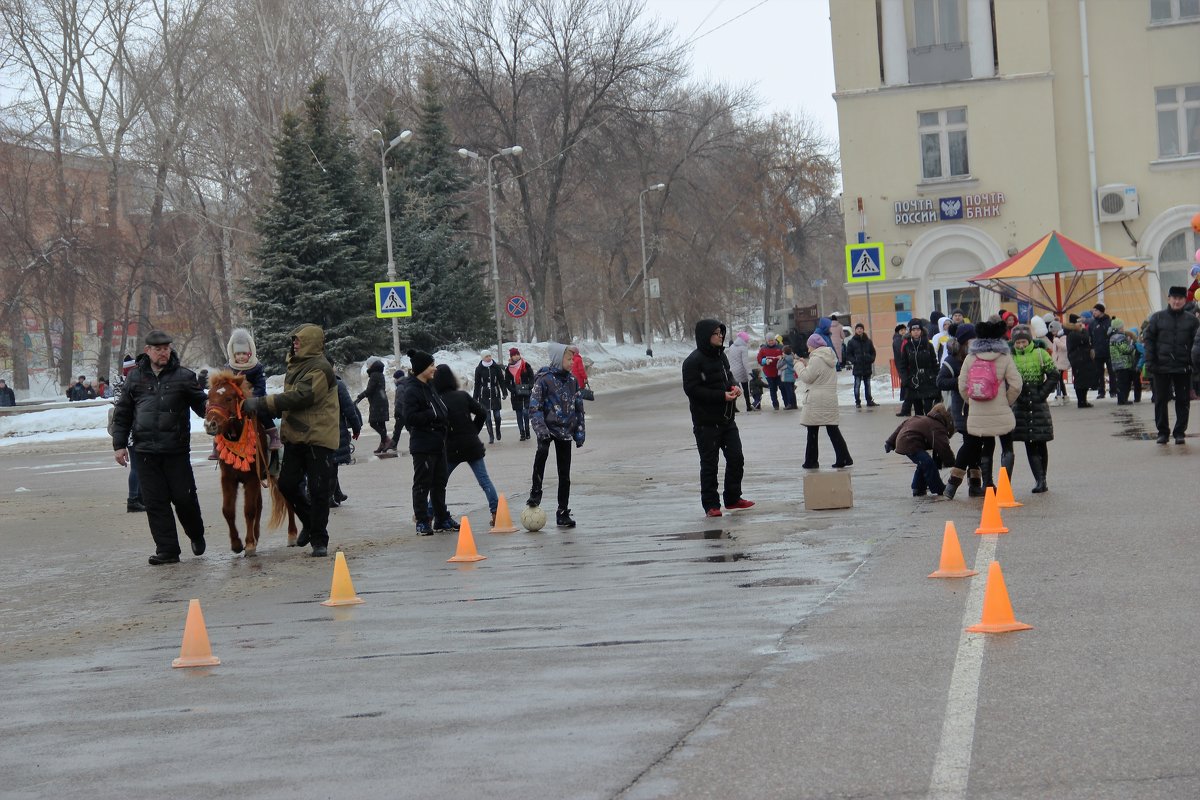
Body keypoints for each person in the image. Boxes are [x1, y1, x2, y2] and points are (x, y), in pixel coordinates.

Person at [111, 330, 208, 565]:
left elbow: (203, 406)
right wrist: (119, 444)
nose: (163, 352)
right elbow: (123, 412)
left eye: (166, 348)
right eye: (158, 349)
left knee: (184, 499)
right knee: (155, 503)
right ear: (148, 351)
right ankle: (167, 550)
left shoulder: (184, 377)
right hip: (144, 452)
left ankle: (196, 534)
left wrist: (216, 413)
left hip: (176, 450)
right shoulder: (135, 378)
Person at [241, 324, 339, 557]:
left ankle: (319, 540)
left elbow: (303, 397)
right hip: (296, 436)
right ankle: (310, 523)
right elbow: (291, 402)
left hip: (318, 437)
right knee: (286, 484)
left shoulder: (320, 368)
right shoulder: (295, 366)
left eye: (299, 341)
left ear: (312, 343)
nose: (295, 344)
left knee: (318, 490)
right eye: (294, 341)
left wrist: (263, 403)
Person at [681, 319, 753, 517]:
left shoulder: (721, 357)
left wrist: (733, 386)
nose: (720, 336)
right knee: (710, 464)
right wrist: (720, 396)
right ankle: (711, 504)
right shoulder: (692, 362)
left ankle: (732, 498)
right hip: (706, 423)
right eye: (716, 333)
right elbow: (692, 389)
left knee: (736, 458)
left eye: (721, 333)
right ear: (706, 336)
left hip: (727, 419)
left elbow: (727, 376)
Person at [956, 318, 1022, 492]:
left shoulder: (971, 357)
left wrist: (972, 402)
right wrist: (1006, 402)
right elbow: (1016, 384)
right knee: (1007, 446)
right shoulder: (1004, 357)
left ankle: (987, 485)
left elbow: (962, 385)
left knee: (987, 445)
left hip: (979, 411)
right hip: (1001, 409)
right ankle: (1005, 487)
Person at [526, 342, 586, 528]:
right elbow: (534, 407)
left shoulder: (572, 380)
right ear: (557, 359)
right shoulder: (543, 380)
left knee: (564, 473)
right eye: (568, 359)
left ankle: (563, 511)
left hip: (565, 431)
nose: (571, 363)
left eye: (572, 359)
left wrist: (579, 431)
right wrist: (541, 430)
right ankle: (535, 492)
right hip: (547, 429)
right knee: (541, 456)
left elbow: (578, 408)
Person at [434, 365, 500, 525]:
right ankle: (497, 512)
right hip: (471, 444)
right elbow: (482, 412)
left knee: (439, 483)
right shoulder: (462, 396)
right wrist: (473, 430)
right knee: (484, 480)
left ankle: (429, 512)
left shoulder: (438, 400)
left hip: (451, 447)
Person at [400, 349, 457, 535]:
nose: (434, 369)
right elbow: (409, 418)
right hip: (423, 445)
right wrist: (432, 415)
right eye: (431, 365)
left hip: (438, 443)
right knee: (422, 484)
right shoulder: (411, 390)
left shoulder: (430, 386)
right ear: (422, 368)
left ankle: (441, 519)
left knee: (439, 483)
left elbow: (440, 408)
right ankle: (422, 521)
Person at [219, 328, 282, 474]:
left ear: (250, 353)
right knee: (223, 417)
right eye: (238, 354)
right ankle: (218, 445)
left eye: (244, 354)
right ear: (233, 354)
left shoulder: (256, 367)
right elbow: (225, 385)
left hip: (254, 397)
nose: (241, 357)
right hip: (235, 400)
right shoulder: (228, 368)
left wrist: (253, 397)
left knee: (262, 411)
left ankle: (273, 436)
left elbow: (260, 385)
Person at [1144, 286, 1200, 444]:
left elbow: (1197, 344)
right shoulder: (1157, 318)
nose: (1177, 301)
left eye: (1180, 298)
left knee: (1183, 401)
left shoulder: (1192, 320)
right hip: (1161, 367)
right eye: (1174, 298)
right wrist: (1150, 361)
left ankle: (1180, 432)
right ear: (1169, 299)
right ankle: (1162, 432)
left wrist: (1194, 364)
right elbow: (1148, 340)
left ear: (1185, 300)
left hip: (1183, 367)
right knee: (1161, 400)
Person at [938, 323, 986, 498]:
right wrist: (962, 381)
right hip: (963, 410)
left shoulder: (980, 357)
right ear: (964, 342)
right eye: (970, 340)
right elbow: (941, 381)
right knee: (970, 444)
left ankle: (975, 484)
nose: (974, 344)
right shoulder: (952, 360)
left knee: (976, 446)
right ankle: (953, 483)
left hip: (980, 408)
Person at [1009, 325, 1056, 493]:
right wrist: (1016, 395)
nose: (1021, 345)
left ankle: (1043, 478)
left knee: (1040, 441)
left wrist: (1041, 393)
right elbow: (1006, 379)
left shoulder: (1039, 354)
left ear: (1029, 341)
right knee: (1029, 442)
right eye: (1018, 342)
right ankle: (1038, 479)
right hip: (1020, 404)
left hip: (1038, 402)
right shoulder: (1010, 357)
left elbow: (1053, 375)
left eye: (1023, 342)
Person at [798, 333, 852, 469]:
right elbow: (819, 373)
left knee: (812, 431)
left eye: (809, 345)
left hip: (817, 399)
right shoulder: (829, 356)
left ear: (813, 346)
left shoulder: (816, 359)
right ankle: (844, 457)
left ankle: (811, 461)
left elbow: (807, 377)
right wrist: (806, 365)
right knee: (832, 429)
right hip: (829, 397)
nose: (808, 348)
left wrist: (799, 366)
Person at [885, 403, 956, 497]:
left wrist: (890, 442)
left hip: (906, 441)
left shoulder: (922, 418)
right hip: (911, 443)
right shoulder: (937, 426)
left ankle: (918, 487)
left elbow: (902, 426)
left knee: (923, 463)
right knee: (928, 463)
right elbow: (943, 447)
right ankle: (938, 488)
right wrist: (951, 461)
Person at [329, 372, 361, 508]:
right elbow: (349, 407)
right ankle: (330, 495)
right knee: (332, 464)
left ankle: (336, 493)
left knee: (328, 462)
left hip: (319, 429)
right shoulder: (337, 384)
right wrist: (356, 426)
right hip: (335, 428)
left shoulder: (310, 381)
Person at [902, 319, 940, 416]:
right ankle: (920, 429)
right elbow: (903, 365)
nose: (916, 332)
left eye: (918, 330)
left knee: (928, 408)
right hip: (914, 380)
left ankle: (929, 428)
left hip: (928, 379)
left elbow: (934, 363)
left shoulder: (928, 345)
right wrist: (905, 379)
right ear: (910, 332)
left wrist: (936, 377)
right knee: (918, 411)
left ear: (921, 331)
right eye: (913, 330)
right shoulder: (907, 347)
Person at [356, 359, 391, 454]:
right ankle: (383, 443)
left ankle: (387, 440)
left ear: (372, 365)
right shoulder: (380, 374)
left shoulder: (374, 375)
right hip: (381, 402)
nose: (367, 366)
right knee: (381, 425)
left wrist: (359, 398)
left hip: (377, 403)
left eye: (368, 365)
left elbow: (369, 390)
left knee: (373, 423)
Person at [473, 350, 508, 444]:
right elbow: (477, 384)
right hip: (483, 394)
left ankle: (498, 430)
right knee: (487, 418)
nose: (488, 358)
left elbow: (501, 380)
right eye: (486, 356)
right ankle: (491, 436)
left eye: (489, 356)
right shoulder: (479, 369)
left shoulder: (495, 367)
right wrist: (475, 398)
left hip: (495, 393)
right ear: (483, 358)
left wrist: (504, 392)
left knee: (497, 416)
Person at [1066, 313, 1098, 407]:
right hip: (1078, 359)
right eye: (1079, 322)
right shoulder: (1073, 333)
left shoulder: (1076, 332)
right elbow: (1085, 339)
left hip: (1083, 359)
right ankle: (1081, 401)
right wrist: (1084, 330)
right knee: (1080, 381)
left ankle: (1083, 400)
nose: (1081, 324)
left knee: (1084, 381)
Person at [843, 323, 878, 408]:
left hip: (867, 366)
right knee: (857, 384)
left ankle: (869, 401)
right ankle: (857, 402)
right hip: (858, 367)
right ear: (855, 330)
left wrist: (870, 359)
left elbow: (873, 352)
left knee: (868, 384)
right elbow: (848, 354)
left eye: (861, 328)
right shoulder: (852, 342)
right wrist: (854, 361)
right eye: (858, 328)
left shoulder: (868, 341)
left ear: (863, 330)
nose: (859, 330)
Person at [504, 347, 536, 440]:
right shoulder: (509, 368)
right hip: (515, 394)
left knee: (526, 412)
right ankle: (522, 433)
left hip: (526, 391)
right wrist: (513, 390)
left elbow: (531, 377)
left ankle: (527, 430)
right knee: (519, 413)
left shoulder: (525, 365)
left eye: (517, 354)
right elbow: (507, 382)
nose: (516, 356)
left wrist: (530, 386)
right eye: (514, 355)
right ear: (511, 357)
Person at [1110, 319, 1139, 405]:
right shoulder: (1120, 337)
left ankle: (1122, 399)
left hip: (1117, 363)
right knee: (1124, 383)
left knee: (1121, 382)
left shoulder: (1112, 337)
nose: (1123, 328)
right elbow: (1125, 349)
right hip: (1123, 363)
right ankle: (1123, 400)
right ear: (1119, 328)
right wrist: (1132, 345)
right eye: (1122, 326)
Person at [1090, 302, 1114, 398]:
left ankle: (1113, 390)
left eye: (1096, 310)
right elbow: (1090, 336)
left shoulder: (1109, 322)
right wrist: (1092, 348)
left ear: (1101, 311)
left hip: (1108, 351)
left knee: (1111, 372)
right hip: (1097, 351)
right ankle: (1101, 391)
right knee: (1099, 372)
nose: (1094, 312)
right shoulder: (1093, 323)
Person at [726, 332, 754, 411]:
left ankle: (733, 407)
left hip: (733, 371)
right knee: (745, 389)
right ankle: (748, 406)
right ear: (743, 340)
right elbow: (745, 362)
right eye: (747, 340)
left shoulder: (732, 346)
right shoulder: (743, 348)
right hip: (741, 371)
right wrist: (750, 372)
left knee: (734, 389)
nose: (747, 342)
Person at [756, 335, 784, 410]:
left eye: (772, 340)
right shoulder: (763, 349)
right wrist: (765, 361)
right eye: (769, 341)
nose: (771, 342)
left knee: (782, 388)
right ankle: (775, 405)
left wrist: (781, 357)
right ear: (766, 341)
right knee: (772, 389)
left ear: (775, 340)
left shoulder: (780, 347)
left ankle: (786, 403)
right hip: (769, 373)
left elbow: (787, 356)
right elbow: (759, 359)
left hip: (779, 372)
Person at [385, 367, 408, 453]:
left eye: (395, 378)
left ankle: (393, 444)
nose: (394, 380)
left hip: (401, 412)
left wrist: (398, 412)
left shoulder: (400, 386)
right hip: (405, 412)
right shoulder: (405, 384)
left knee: (398, 430)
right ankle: (393, 444)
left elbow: (400, 401)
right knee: (404, 429)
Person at [892, 323, 910, 416]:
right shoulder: (898, 340)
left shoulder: (901, 339)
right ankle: (905, 409)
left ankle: (906, 409)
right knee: (907, 387)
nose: (903, 331)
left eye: (904, 330)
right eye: (901, 330)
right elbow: (903, 353)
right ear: (898, 332)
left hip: (903, 367)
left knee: (907, 387)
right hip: (903, 367)